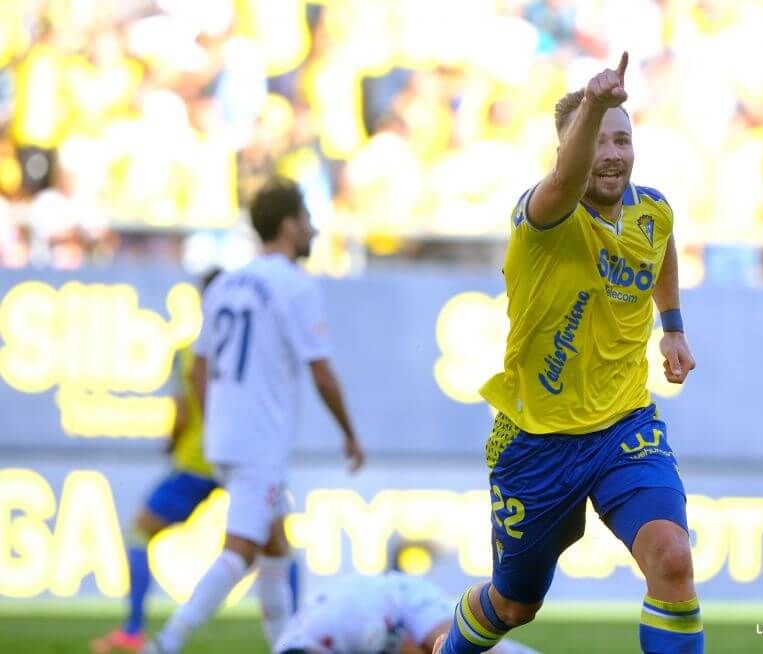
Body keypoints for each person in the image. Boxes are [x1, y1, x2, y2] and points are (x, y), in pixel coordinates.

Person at [433, 52, 702, 654]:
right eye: (599, 140)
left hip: (623, 427)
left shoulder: (651, 210)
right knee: (515, 603)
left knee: (673, 562)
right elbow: (564, 177)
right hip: (538, 440)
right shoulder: (543, 216)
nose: (613, 154)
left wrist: (674, 325)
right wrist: (595, 104)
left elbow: (662, 245)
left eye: (623, 140)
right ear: (570, 149)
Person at [143, 178, 365, 654]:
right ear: (288, 225)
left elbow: (199, 368)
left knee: (274, 548)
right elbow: (322, 373)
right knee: (240, 550)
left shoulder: (224, 283)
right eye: (306, 219)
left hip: (223, 437)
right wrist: (349, 434)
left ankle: (286, 645)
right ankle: (165, 643)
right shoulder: (294, 285)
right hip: (259, 441)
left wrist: (217, 419)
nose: (311, 229)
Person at [90, 268, 308, 653]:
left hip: (199, 460)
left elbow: (182, 412)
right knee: (276, 545)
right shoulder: (259, 346)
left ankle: (137, 630)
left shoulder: (191, 350)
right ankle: (297, 632)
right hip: (250, 457)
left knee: (142, 531)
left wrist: (173, 441)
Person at [275, 572, 540, 654]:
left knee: (455, 649)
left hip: (405, 602)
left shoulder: (351, 626)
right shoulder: (286, 646)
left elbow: (408, 648)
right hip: (370, 612)